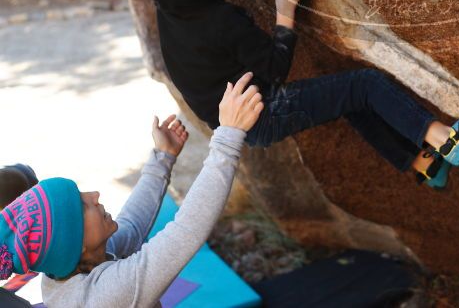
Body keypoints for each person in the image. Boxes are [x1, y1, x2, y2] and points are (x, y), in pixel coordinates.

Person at [133, 0, 459, 189]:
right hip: (262, 114)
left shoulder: (175, 9)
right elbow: (275, 71)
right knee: (364, 85)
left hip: (239, 122)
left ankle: (424, 164)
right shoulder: (220, 24)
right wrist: (284, 14)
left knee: (350, 100)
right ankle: (446, 140)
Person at [0, 72, 264, 307]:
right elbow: (185, 232)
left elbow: (132, 226)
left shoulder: (68, 265)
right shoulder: (102, 297)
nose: (94, 196)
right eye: (83, 205)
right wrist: (228, 135)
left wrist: (163, 157)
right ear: (75, 245)